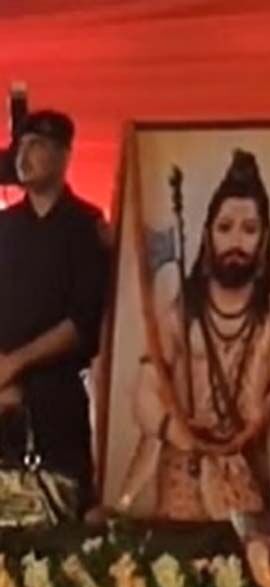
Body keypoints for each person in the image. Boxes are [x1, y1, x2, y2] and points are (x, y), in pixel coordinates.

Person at [117, 149, 270, 521]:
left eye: (249, 230)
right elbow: (145, 392)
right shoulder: (180, 315)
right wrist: (179, 433)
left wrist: (256, 424)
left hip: (245, 472)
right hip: (180, 469)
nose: (236, 242)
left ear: (264, 239)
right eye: (225, 228)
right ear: (207, 235)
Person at [0, 109, 110, 515]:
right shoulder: (6, 226)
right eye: (21, 147)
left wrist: (17, 362)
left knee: (61, 513)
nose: (24, 156)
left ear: (64, 156)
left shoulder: (85, 225)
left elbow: (83, 321)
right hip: (4, 394)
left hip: (57, 393)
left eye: (37, 146)